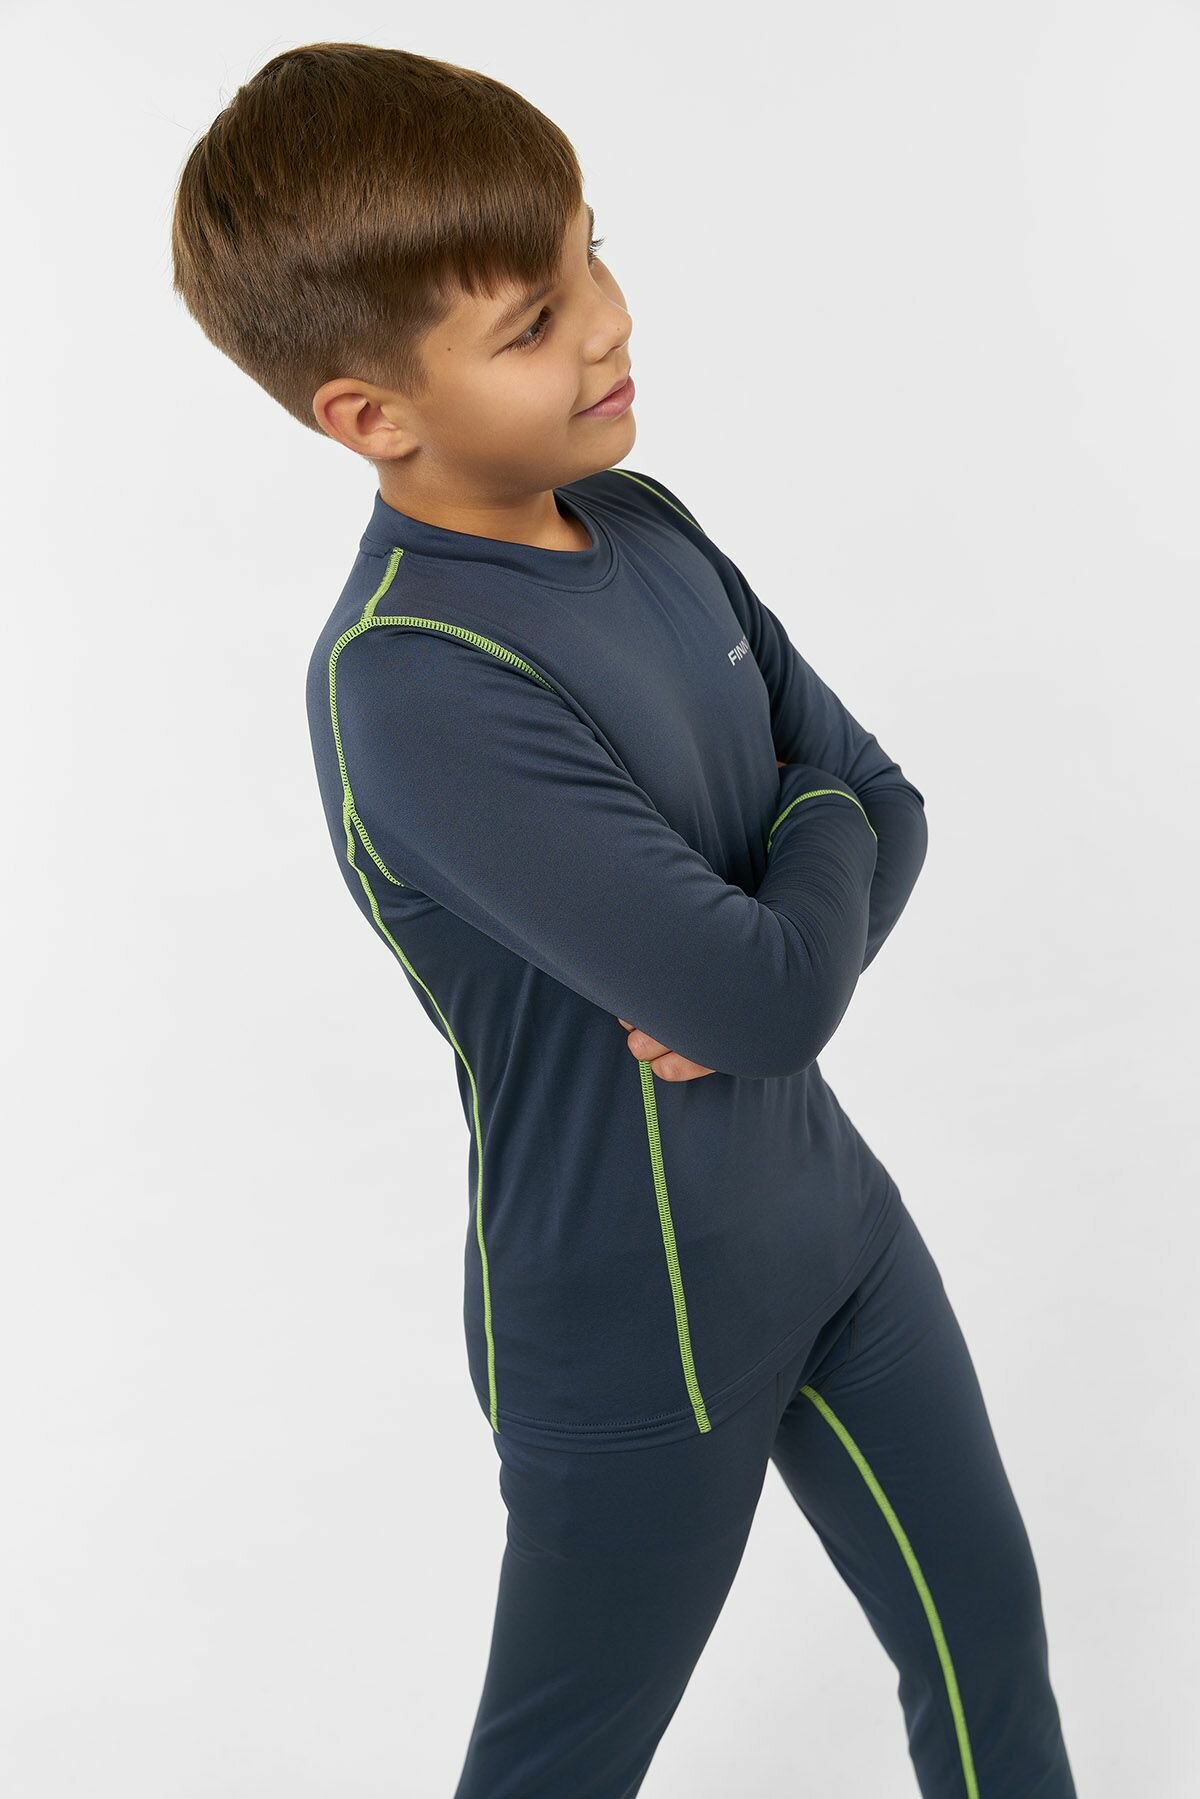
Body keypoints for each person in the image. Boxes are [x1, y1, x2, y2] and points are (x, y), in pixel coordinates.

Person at [170, 41, 1078, 1798]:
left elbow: (879, 804)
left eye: (591, 252)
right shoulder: (416, 681)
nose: (606, 325)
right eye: (530, 323)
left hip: (836, 1229)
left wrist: (798, 869)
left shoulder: (644, 523)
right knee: (560, 1769)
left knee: (985, 1638)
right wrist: (795, 887)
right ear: (369, 415)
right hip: (636, 1322)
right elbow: (772, 997)